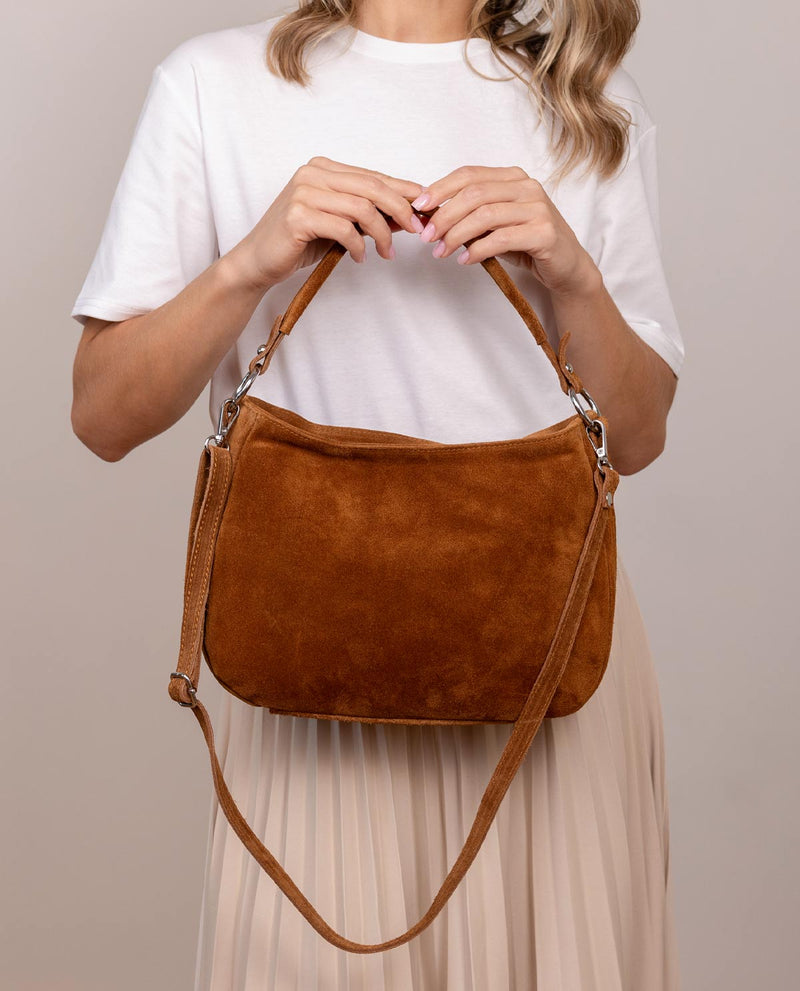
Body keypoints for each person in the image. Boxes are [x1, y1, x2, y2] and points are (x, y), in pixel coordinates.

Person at [69, 1, 685, 986]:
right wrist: (249, 264)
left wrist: (572, 274)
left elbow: (639, 437)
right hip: (315, 666)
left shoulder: (587, 102)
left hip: (547, 669)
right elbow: (103, 415)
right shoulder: (211, 85)